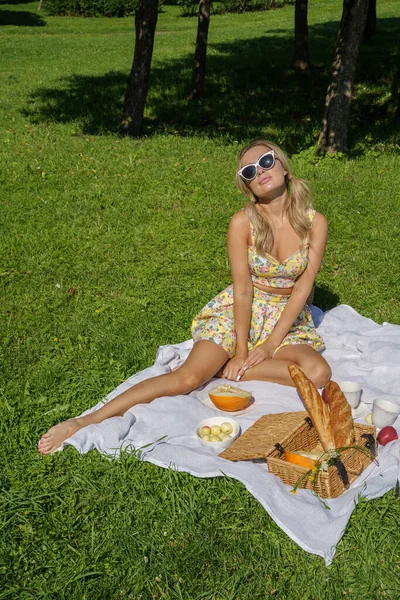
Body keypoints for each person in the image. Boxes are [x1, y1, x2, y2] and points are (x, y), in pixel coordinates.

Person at [38, 139, 331, 454]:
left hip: (287, 313)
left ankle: (221, 369)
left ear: (284, 167)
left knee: (318, 372)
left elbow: (303, 287)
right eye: (249, 170)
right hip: (241, 310)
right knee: (187, 378)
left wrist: (271, 344)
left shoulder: (315, 223)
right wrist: (243, 348)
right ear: (247, 187)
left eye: (267, 161)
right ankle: (84, 421)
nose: (260, 171)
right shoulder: (242, 223)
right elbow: (243, 288)